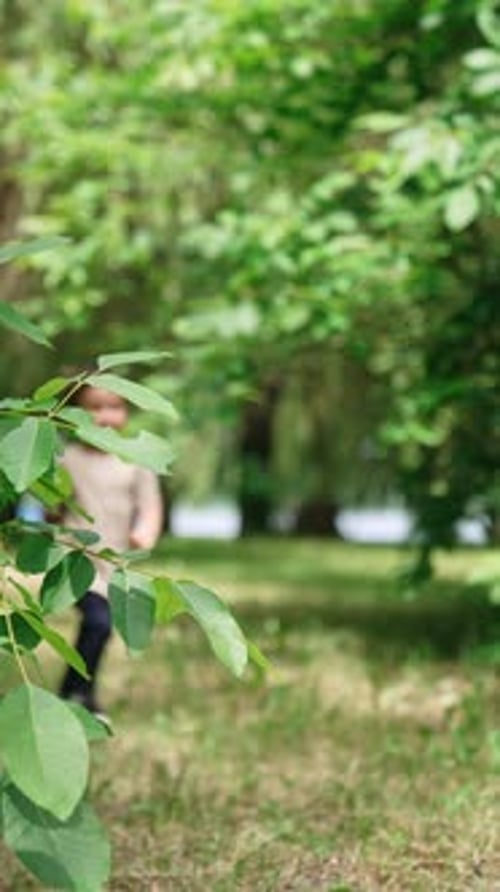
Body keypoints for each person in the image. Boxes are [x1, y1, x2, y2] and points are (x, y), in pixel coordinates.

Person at [59, 384, 164, 716]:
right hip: (75, 560)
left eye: (114, 407)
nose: (105, 416)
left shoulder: (135, 460)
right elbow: (51, 500)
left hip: (113, 562)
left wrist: (144, 533)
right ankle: (75, 694)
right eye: (94, 407)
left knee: (100, 629)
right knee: (98, 623)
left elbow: (150, 506)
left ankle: (77, 693)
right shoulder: (67, 458)